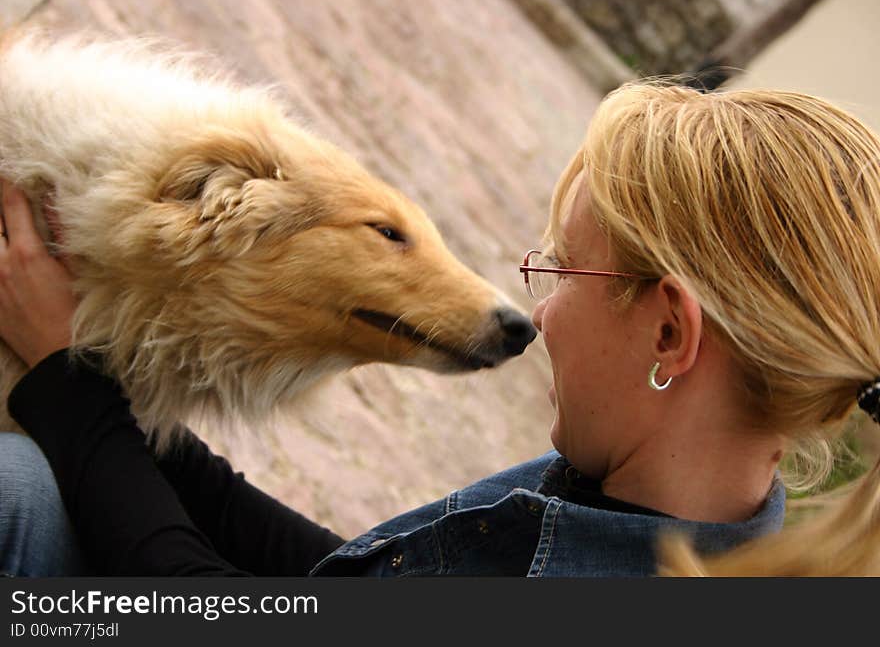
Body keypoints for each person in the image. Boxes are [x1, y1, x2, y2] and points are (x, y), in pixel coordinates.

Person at [2, 81, 878, 577]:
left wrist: (64, 383)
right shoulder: (674, 514)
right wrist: (117, 403)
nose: (536, 310)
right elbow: (356, 581)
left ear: (669, 337)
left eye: (562, 269)